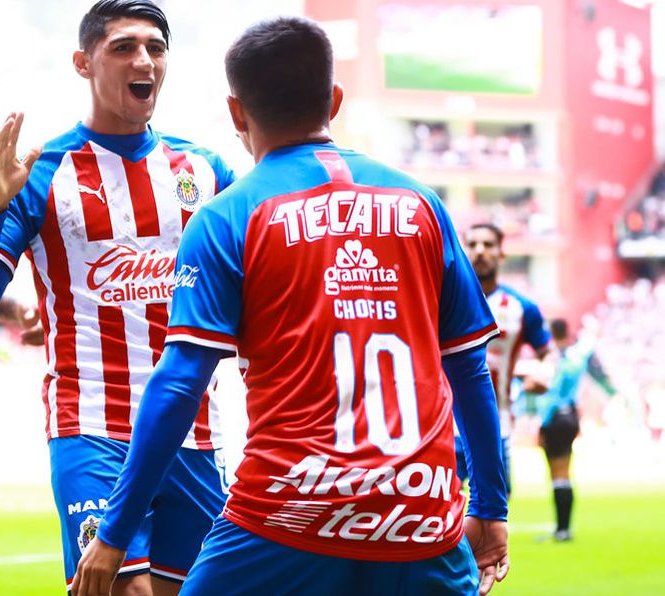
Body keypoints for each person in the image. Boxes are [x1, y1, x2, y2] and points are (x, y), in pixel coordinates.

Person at [73, 16, 509, 596]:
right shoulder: (422, 205)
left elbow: (179, 384)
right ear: (334, 100)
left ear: (236, 113)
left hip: (286, 516)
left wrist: (115, 533)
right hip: (422, 522)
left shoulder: (229, 216)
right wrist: (491, 505)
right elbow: (470, 369)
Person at [0, 1, 235, 593]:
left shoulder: (205, 171)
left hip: (194, 431)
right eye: (124, 47)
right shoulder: (41, 173)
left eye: (155, 48)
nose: (144, 60)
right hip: (93, 425)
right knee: (124, 589)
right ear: (83, 63)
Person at [461, 222, 551, 495]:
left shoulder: (522, 307)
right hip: (444, 425)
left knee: (494, 509)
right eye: (472, 244)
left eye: (488, 245)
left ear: (501, 254)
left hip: (496, 424)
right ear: (463, 251)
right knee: (439, 509)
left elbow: (548, 353)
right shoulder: (440, 300)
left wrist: (544, 373)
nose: (480, 251)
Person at [536, 318, 616, 541]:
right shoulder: (577, 355)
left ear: (552, 333)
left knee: (557, 474)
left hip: (555, 418)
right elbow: (591, 340)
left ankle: (562, 529)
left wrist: (542, 425)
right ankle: (564, 528)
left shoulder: (553, 359)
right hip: (571, 416)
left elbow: (551, 395)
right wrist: (592, 328)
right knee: (565, 472)